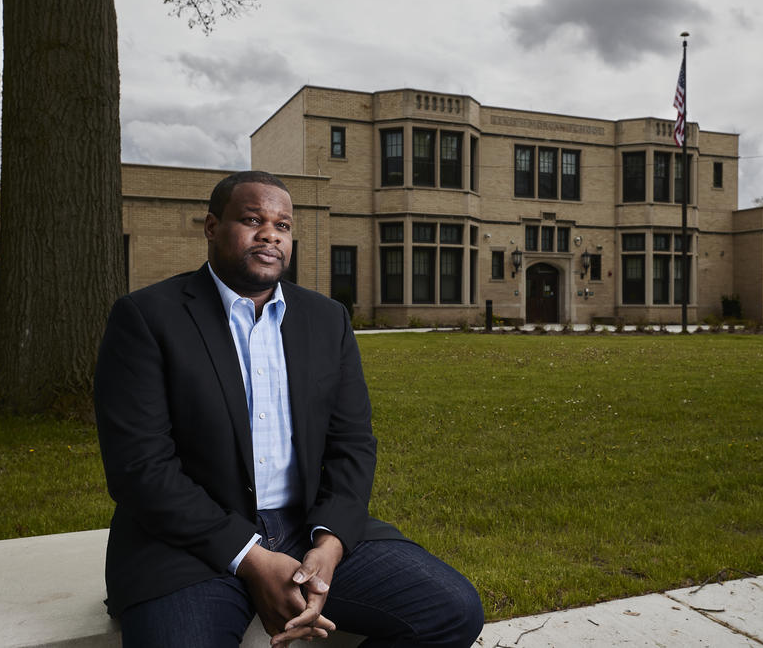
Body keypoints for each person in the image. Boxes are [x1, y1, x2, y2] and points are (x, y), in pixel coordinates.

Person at [95, 170, 483, 647]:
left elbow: (352, 444)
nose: (270, 234)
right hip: (187, 543)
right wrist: (251, 557)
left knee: (451, 610)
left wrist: (331, 544)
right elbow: (139, 466)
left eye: (283, 225)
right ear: (212, 228)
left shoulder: (326, 320)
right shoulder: (148, 317)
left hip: (305, 528)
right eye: (252, 219)